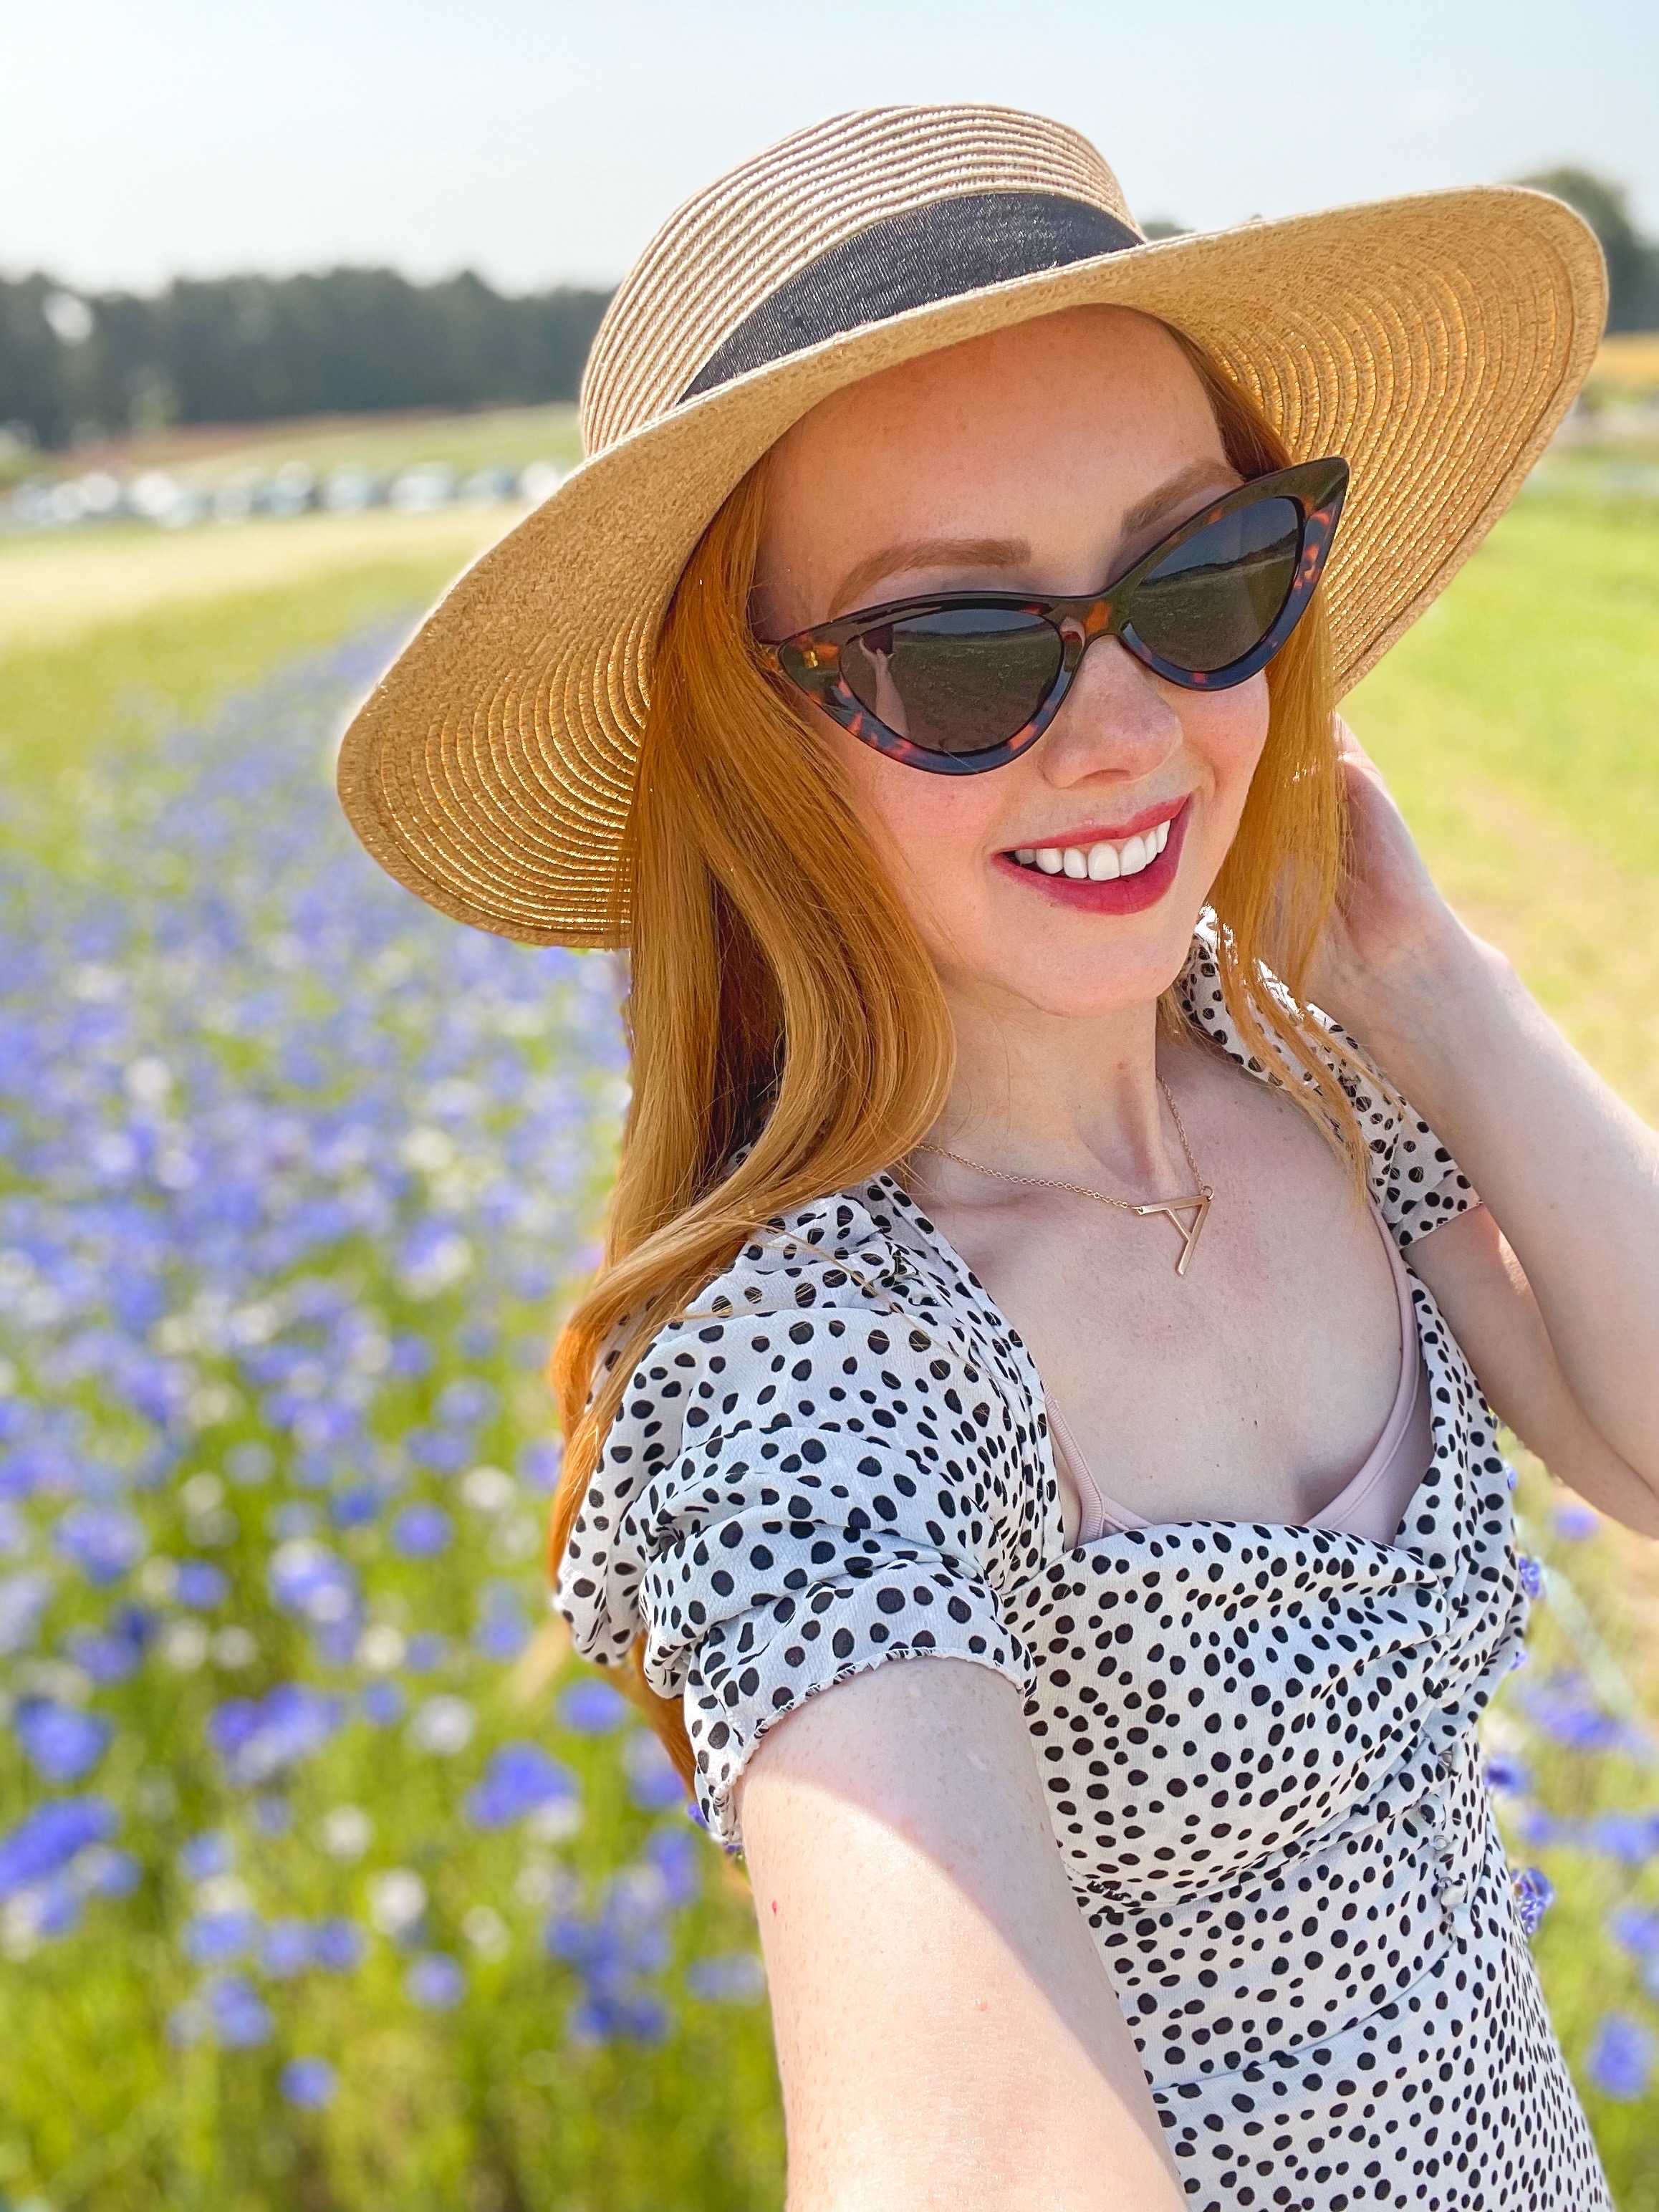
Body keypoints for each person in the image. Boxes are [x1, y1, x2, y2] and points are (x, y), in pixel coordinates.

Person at [337, 105, 1654, 2212]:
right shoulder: (810, 1370)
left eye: (1197, 577)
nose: (1125, 724)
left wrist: (1427, 976)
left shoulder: (1299, 1078)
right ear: (750, 743)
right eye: (958, 651)